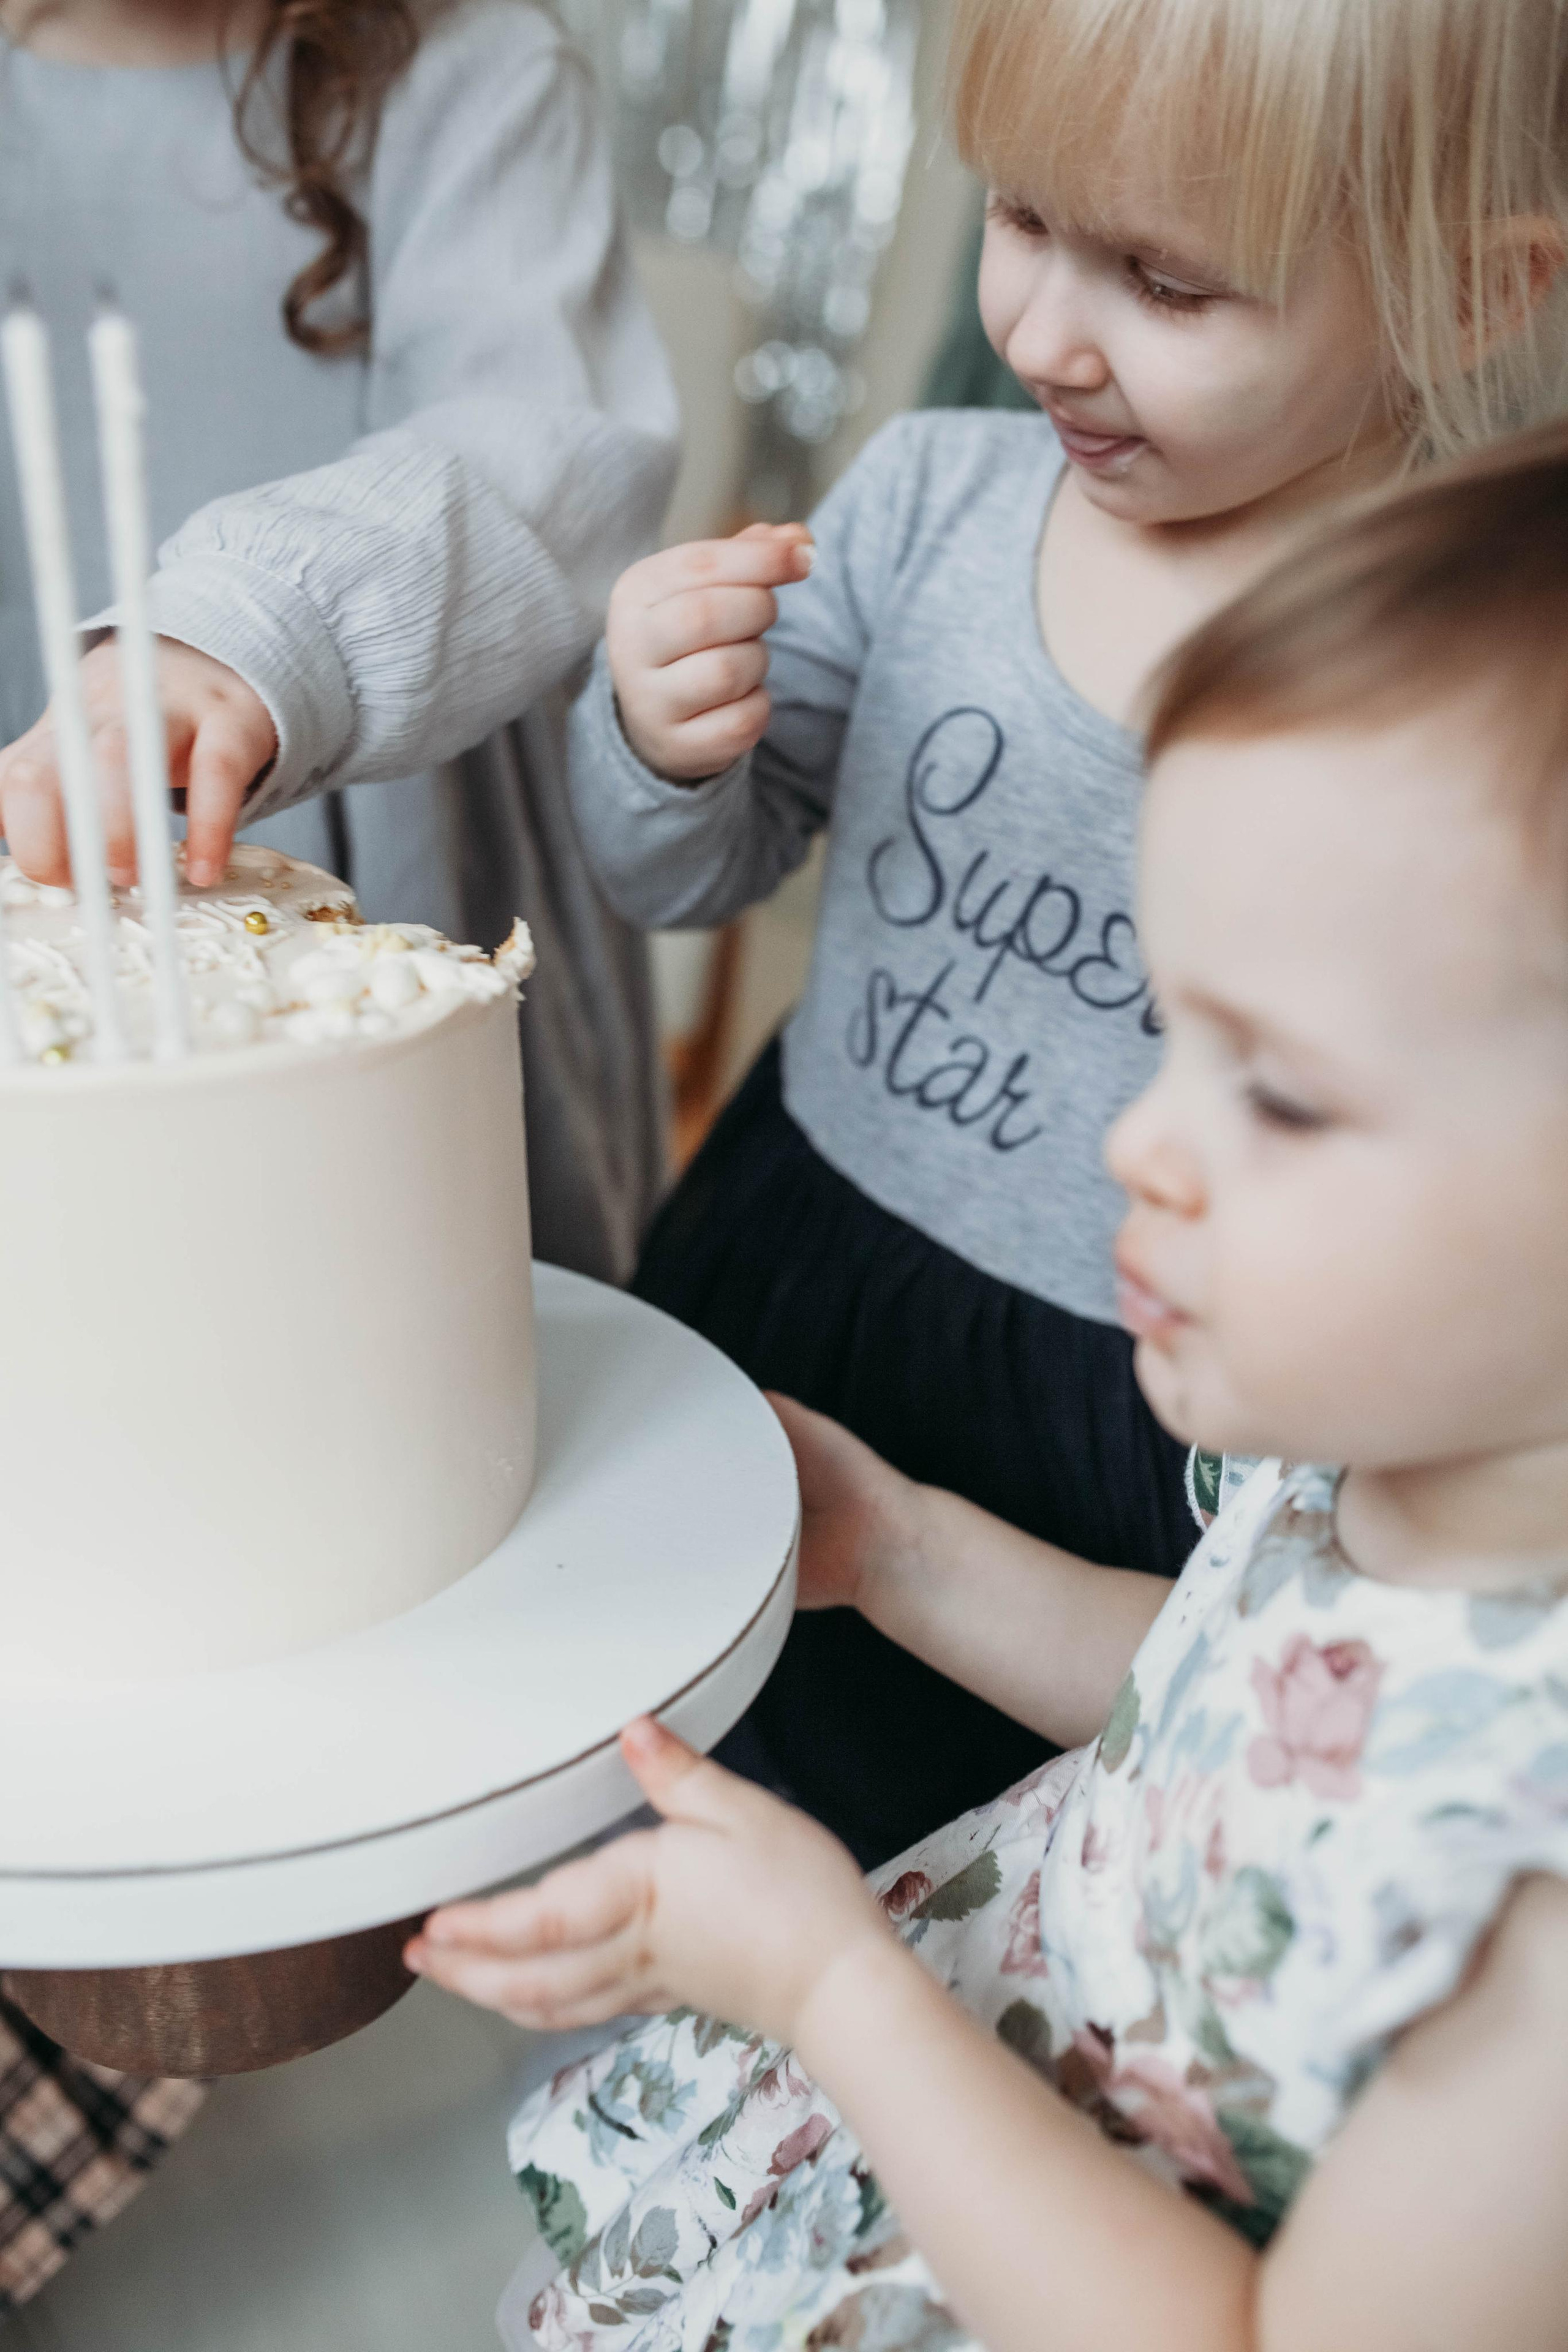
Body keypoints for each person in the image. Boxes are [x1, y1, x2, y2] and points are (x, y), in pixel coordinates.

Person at [411, 419, 1568, 2352]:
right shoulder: (1385, 1468)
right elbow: (1228, 1716)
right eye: (1169, 1037)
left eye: (1274, 1092)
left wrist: (835, 1987)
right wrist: (910, 1544)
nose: (1138, 1143)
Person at [557, 0, 1568, 1864]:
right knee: (664, 1773)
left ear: (1477, 294)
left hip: (1132, 1420)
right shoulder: (934, 499)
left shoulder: (1464, 696)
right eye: (1019, 218)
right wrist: (651, 730)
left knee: (954, 1868)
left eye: (1166, 283)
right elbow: (679, 874)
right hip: (798, 1257)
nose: (1038, 332)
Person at [0, 0, 679, 1281]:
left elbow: (542, 442)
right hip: (34, 848)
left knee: (355, 1307)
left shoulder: (474, 70)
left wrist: (252, 627)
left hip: (372, 851)